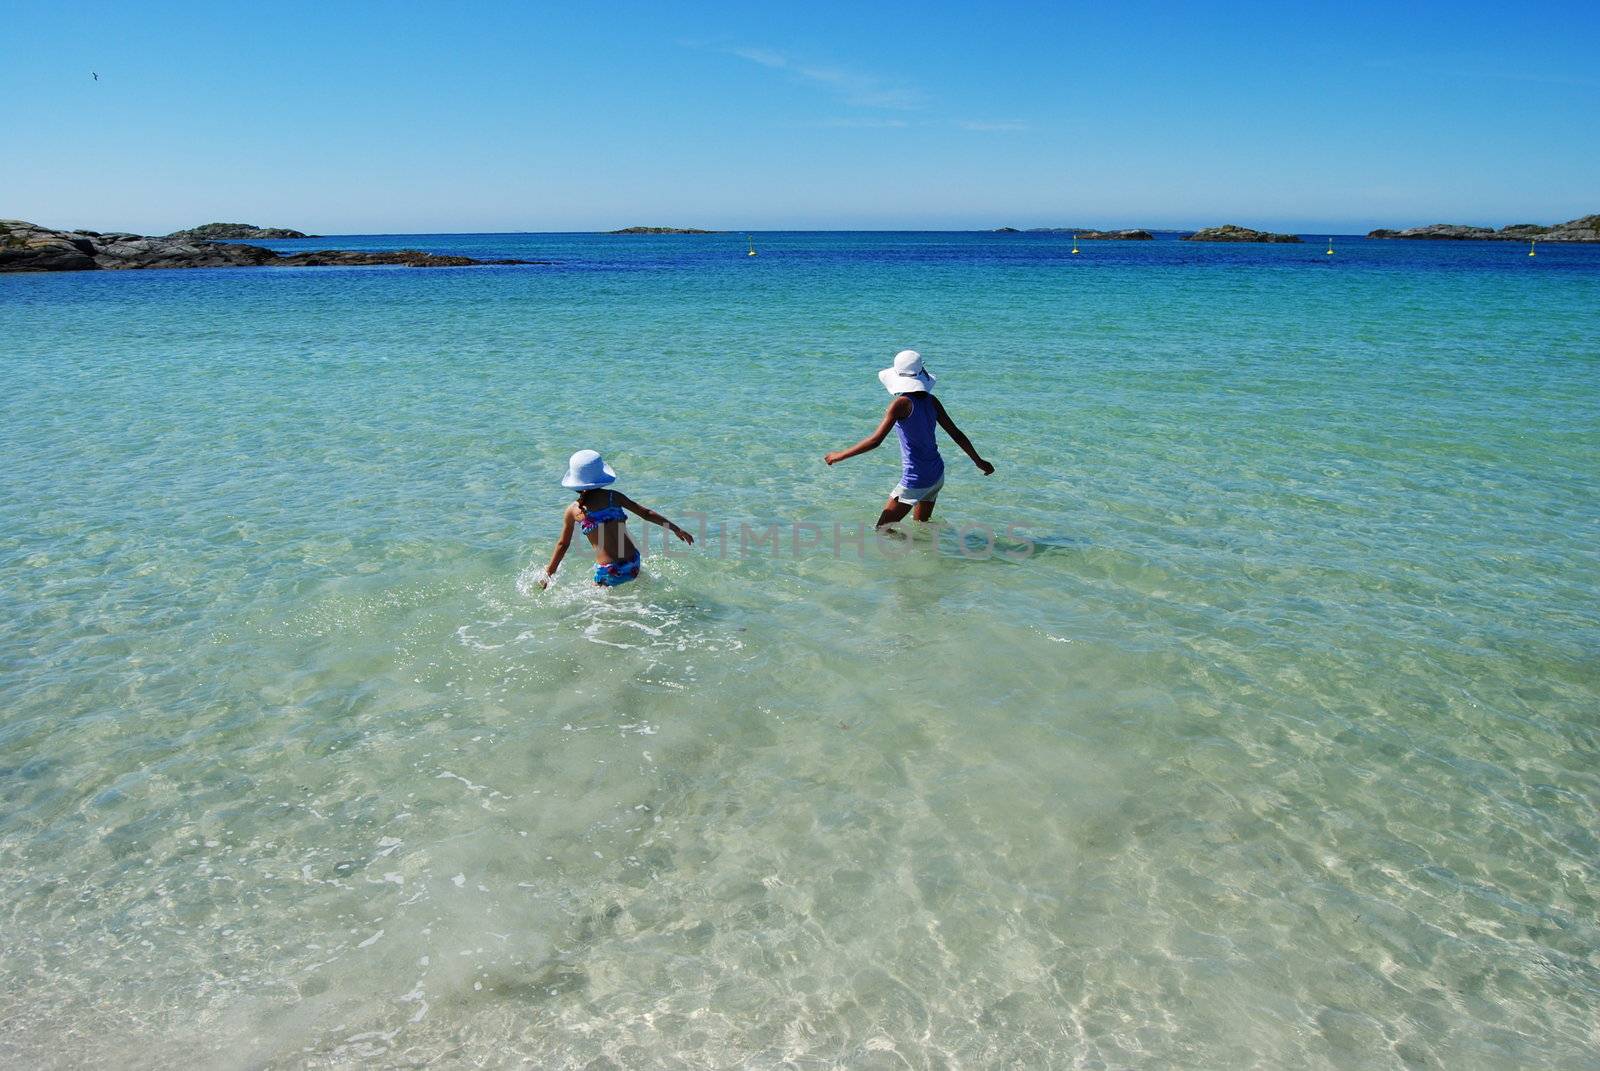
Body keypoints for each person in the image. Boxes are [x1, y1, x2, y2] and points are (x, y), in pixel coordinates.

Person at [823, 349, 994, 528]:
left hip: (916, 479)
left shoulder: (901, 404)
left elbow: (875, 441)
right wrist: (978, 461)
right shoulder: (932, 400)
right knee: (922, 527)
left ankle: (909, 551)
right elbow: (956, 434)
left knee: (882, 530)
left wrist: (839, 455)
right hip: (936, 474)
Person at [539, 450, 693, 588]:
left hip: (609, 572)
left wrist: (549, 574)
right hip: (633, 562)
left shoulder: (574, 510)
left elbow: (563, 545)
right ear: (600, 476)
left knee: (596, 611)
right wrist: (676, 529)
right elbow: (646, 513)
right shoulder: (614, 496)